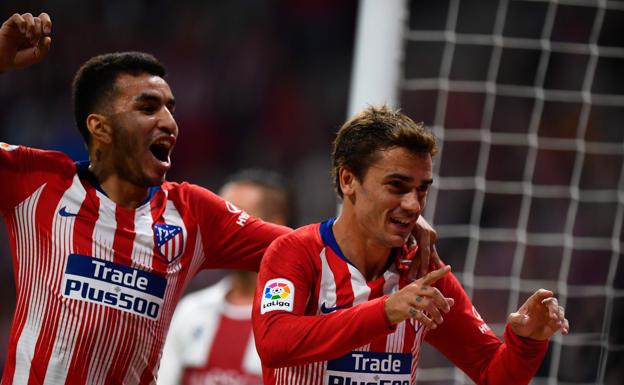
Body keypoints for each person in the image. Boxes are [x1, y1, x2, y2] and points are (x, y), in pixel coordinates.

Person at [0, 12, 439, 385]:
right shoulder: (35, 181)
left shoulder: (191, 213)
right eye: (149, 107)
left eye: (171, 107)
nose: (170, 121)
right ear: (100, 127)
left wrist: (388, 218)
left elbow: (311, 251)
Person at [252, 105, 570, 385]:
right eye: (397, 185)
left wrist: (526, 343)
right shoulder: (295, 252)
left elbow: (492, 373)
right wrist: (386, 311)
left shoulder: (422, 269)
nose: (413, 205)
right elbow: (274, 342)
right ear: (348, 180)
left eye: (421, 190)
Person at [159, 169, 293, 385]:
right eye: (219, 216)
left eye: (239, 219)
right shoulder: (191, 311)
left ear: (275, 226)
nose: (223, 230)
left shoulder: (296, 319)